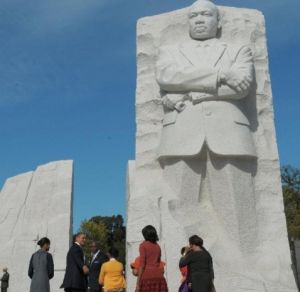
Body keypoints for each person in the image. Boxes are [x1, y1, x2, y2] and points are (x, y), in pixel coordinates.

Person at [155, 0, 257, 253]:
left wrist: (192, 92)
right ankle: (184, 266)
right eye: (194, 15)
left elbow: (241, 89)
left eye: (206, 14)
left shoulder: (239, 49)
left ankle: (244, 262)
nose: (199, 19)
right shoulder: (170, 51)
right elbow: (168, 78)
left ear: (218, 21)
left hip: (230, 132)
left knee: (237, 209)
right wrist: (221, 75)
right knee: (178, 205)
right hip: (180, 133)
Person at [136, 225, 168, 292]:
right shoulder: (158, 246)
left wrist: (138, 283)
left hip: (147, 278)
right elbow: (160, 264)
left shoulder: (143, 245)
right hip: (159, 278)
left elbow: (142, 264)